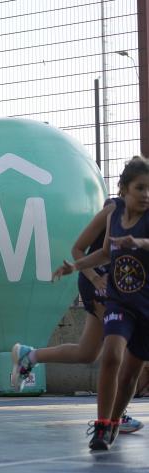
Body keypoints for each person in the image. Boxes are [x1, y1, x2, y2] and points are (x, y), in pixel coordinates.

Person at [10, 197, 143, 434]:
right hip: (100, 282)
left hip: (123, 286)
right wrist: (94, 277)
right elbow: (77, 248)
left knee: (88, 352)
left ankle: (30, 356)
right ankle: (116, 415)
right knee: (118, 347)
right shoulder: (114, 209)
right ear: (126, 187)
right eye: (140, 186)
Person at [52, 156, 149, 450]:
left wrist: (140, 243)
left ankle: (115, 422)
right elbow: (105, 252)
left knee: (131, 372)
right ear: (123, 190)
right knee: (111, 356)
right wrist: (76, 266)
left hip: (146, 307)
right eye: (140, 188)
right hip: (120, 302)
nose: (146, 195)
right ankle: (102, 424)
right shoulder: (113, 214)